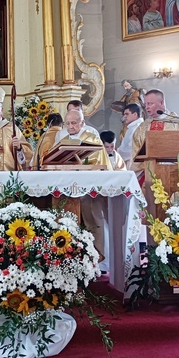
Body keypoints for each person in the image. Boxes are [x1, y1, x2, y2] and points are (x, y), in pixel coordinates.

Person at [53, 109, 125, 268]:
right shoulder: (62, 141)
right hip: (68, 191)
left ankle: (96, 258)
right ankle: (67, 258)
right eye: (68, 124)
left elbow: (100, 164)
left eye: (74, 123)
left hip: (88, 191)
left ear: (82, 123)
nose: (70, 127)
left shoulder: (92, 140)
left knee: (93, 220)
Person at [130, 89, 179, 173]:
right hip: (148, 174)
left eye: (150, 104)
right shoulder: (142, 128)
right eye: (146, 104)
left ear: (161, 103)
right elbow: (136, 155)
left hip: (175, 172)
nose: (147, 107)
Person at [116, 102, 144, 169]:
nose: (124, 116)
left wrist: (117, 151)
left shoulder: (136, 128)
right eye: (124, 114)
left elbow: (132, 149)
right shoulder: (133, 127)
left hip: (136, 164)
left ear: (135, 114)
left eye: (127, 114)